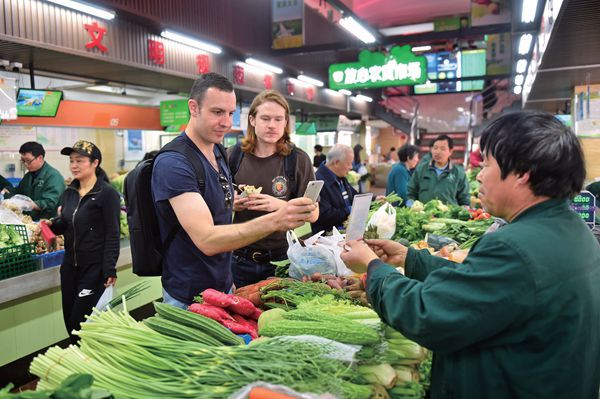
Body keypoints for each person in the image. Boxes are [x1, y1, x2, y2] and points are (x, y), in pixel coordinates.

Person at [340, 111, 600, 398]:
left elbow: (428, 314)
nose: (480, 176)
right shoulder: (571, 229)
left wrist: (372, 265)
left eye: (486, 163)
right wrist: (410, 258)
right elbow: (482, 287)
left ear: (523, 174)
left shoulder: (514, 248)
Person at [151, 73, 316, 308]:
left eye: (230, 113)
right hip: (190, 295)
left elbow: (220, 212)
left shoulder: (218, 152)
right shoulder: (175, 163)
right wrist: (277, 219)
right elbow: (207, 239)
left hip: (225, 282)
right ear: (193, 108)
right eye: (217, 112)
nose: (227, 122)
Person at [229, 90, 318, 287]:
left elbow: (313, 214)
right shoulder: (233, 156)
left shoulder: (298, 159)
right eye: (265, 118)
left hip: (283, 259)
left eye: (279, 119)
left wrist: (279, 205)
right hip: (239, 258)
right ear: (252, 120)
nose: (272, 125)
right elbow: (213, 204)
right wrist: (230, 204)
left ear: (286, 122)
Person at [48, 141, 120, 343]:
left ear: (95, 162)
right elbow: (65, 223)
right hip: (70, 267)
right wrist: (52, 225)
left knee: (81, 322)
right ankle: (80, 361)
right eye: (71, 161)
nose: (74, 165)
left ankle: (89, 363)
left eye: (80, 160)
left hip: (93, 268)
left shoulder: (107, 194)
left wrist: (109, 269)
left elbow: (113, 234)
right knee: (69, 320)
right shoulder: (69, 192)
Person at [4, 142, 65, 220]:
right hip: (31, 220)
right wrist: (7, 192)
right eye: (23, 161)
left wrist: (28, 205)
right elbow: (19, 191)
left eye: (28, 160)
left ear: (40, 158)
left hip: (48, 221)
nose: (25, 164)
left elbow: (50, 203)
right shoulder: (29, 175)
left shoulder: (53, 176)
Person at [407, 134, 470, 206]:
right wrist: (411, 206)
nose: (437, 152)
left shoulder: (458, 173)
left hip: (448, 216)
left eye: (442, 149)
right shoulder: (421, 169)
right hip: (424, 215)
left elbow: (465, 200)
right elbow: (410, 193)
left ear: (450, 151)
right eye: (435, 148)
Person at [312, 144, 357, 234]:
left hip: (345, 233)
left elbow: (356, 196)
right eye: (348, 163)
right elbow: (325, 215)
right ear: (336, 163)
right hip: (328, 239)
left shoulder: (340, 177)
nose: (351, 167)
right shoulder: (318, 182)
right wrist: (350, 209)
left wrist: (374, 200)